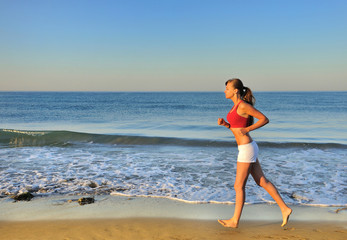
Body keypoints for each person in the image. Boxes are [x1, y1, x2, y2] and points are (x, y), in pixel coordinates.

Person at [217, 78, 292, 228]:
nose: (225, 91)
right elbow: (238, 128)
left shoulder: (243, 106)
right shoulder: (235, 107)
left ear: (235, 90)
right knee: (261, 181)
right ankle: (285, 209)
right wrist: (226, 125)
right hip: (246, 147)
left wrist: (248, 129)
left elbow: (264, 119)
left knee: (238, 186)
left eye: (227, 88)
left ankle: (234, 221)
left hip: (247, 148)